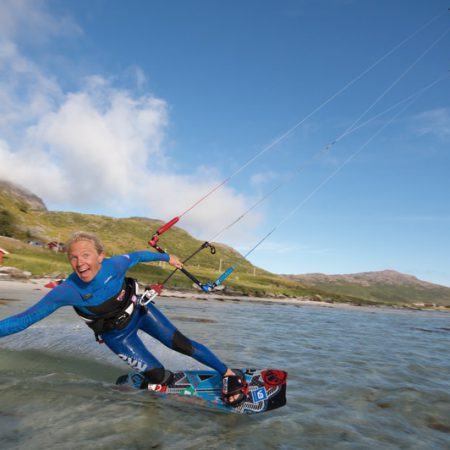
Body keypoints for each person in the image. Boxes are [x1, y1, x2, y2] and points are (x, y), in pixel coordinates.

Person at [0, 231, 246, 406]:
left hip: (141, 312)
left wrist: (167, 258)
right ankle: (159, 390)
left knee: (182, 344)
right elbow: (23, 321)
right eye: (73, 258)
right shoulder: (66, 291)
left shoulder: (115, 264)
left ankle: (227, 373)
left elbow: (138, 255)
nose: (79, 263)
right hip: (116, 335)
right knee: (159, 377)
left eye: (85, 255)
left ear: (100, 256)